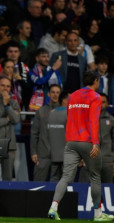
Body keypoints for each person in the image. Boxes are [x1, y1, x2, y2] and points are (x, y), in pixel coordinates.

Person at [48, 71, 114, 221]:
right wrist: (95, 143)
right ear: (96, 81)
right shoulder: (95, 97)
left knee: (65, 177)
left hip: (71, 142)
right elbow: (93, 121)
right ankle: (97, 214)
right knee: (95, 177)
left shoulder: (73, 96)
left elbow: (70, 118)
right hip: (87, 142)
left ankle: (53, 207)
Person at [0, 76, 21, 181]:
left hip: (10, 146)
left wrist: (7, 106)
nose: (5, 88)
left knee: (8, 178)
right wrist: (6, 120)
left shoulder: (13, 102)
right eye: (2, 85)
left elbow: (16, 120)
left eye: (8, 86)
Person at [30, 85, 62, 181]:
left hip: (58, 157)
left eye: (57, 92)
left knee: (56, 187)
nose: (55, 95)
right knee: (38, 185)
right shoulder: (41, 111)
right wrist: (34, 152)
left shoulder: (65, 112)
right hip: (42, 155)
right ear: (48, 94)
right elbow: (34, 133)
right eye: (53, 92)